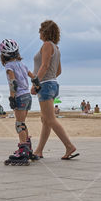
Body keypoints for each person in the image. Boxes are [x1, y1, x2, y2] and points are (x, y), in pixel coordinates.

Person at [31, 20, 78, 160]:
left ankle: (69, 146)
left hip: (45, 85)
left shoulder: (46, 45)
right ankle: (39, 151)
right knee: (45, 120)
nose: (39, 33)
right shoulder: (56, 48)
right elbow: (59, 70)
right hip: (52, 84)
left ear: (45, 31)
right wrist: (50, 80)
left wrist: (36, 83)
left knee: (50, 120)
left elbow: (44, 66)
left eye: (40, 30)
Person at [0, 38, 38, 165]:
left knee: (19, 124)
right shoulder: (22, 64)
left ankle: (23, 150)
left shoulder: (8, 66)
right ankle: (28, 148)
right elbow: (33, 77)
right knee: (23, 123)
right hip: (27, 96)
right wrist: (37, 85)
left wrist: (12, 97)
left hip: (20, 96)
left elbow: (13, 82)